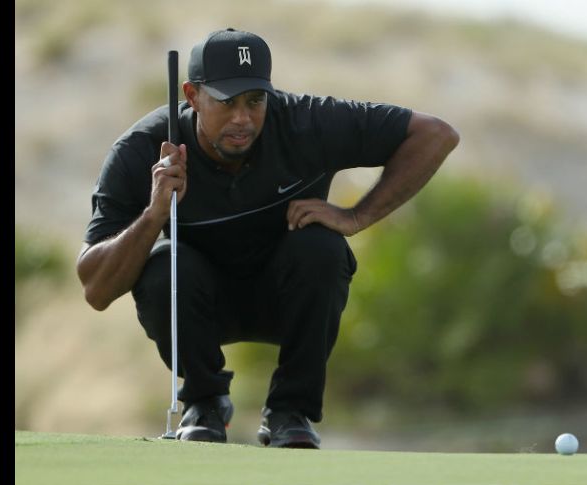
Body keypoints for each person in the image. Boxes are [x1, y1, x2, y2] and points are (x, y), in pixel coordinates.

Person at [76, 28, 459, 449]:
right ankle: (204, 404)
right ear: (192, 95)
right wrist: (153, 214)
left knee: (324, 247)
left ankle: (289, 412)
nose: (243, 118)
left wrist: (356, 216)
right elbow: (96, 289)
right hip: (199, 308)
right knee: (163, 264)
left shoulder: (307, 122)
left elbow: (435, 135)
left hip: (287, 300)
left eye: (255, 101)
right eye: (227, 102)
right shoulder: (142, 149)